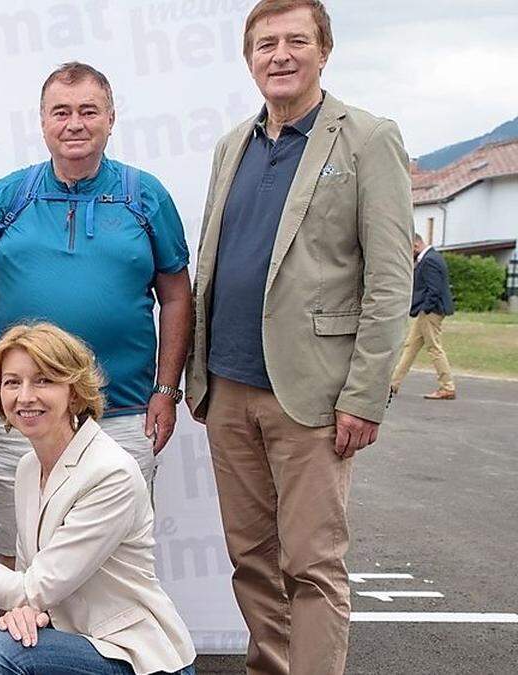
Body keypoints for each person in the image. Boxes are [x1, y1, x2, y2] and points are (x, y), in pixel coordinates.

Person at [184, 1, 413, 672]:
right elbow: (212, 260)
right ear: (249, 57)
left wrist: (366, 394)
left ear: (324, 49)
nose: (279, 55)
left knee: (312, 566)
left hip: (312, 395)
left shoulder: (368, 139)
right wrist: (199, 379)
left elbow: (390, 280)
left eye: (295, 41)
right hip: (227, 388)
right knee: (252, 560)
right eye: (265, 44)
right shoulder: (234, 144)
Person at [0, 61, 193, 570]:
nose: (75, 123)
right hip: (21, 413)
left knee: (115, 562)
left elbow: (177, 296)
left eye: (88, 111)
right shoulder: (11, 194)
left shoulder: (145, 195)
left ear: (111, 118)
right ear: (42, 123)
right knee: (17, 555)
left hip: (120, 415)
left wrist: (167, 391)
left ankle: (105, 653)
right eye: (61, 112)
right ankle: (18, 652)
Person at [0, 323, 196, 675]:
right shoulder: (28, 466)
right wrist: (26, 608)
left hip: (135, 658)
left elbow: (33, 587)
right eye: (12, 382)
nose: (25, 396)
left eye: (43, 381)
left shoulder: (110, 472)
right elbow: (33, 578)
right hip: (70, 638)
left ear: (74, 392)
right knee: (9, 640)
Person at [389, 233, 456, 400]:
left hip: (431, 311)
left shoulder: (430, 260)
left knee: (434, 348)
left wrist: (425, 309)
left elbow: (434, 289)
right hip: (427, 311)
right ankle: (393, 383)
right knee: (410, 346)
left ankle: (447, 386)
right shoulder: (431, 257)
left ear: (415, 245)